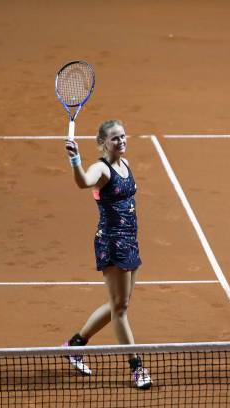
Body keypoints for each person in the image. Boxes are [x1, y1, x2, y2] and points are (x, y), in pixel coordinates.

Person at [62, 119, 151, 389]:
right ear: (103, 142)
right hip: (112, 243)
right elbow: (83, 182)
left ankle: (75, 345)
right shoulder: (100, 168)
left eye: (123, 136)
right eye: (115, 138)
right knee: (121, 309)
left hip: (130, 241)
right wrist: (75, 160)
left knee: (119, 305)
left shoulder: (125, 164)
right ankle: (136, 368)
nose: (121, 141)